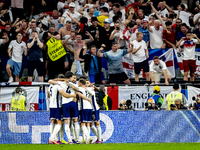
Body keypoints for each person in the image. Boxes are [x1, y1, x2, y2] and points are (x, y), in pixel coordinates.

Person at [47, 74, 65, 144]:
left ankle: (53, 138)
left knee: (52, 122)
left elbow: (48, 95)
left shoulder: (50, 86)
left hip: (51, 105)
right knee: (60, 123)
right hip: (57, 106)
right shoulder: (58, 85)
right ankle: (52, 138)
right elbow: (62, 93)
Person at [85, 79, 102, 144]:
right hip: (89, 108)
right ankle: (99, 137)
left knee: (97, 123)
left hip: (94, 109)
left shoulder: (90, 89)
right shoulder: (86, 89)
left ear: (90, 84)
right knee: (90, 124)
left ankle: (99, 139)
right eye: (85, 83)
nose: (86, 84)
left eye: (87, 83)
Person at [77, 78, 93, 144]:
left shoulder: (80, 89)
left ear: (80, 83)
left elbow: (80, 95)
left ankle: (88, 136)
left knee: (82, 123)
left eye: (78, 83)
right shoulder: (88, 89)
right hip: (90, 107)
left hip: (84, 107)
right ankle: (87, 140)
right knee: (88, 124)